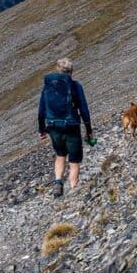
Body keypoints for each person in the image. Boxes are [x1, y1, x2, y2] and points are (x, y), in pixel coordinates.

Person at [38, 58, 94, 197]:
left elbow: (41, 109)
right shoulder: (75, 86)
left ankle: (58, 182)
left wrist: (42, 129)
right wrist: (89, 130)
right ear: (72, 71)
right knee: (74, 160)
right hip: (71, 125)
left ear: (57, 69)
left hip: (53, 125)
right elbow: (84, 109)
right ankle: (74, 190)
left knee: (60, 154)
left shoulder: (48, 86)